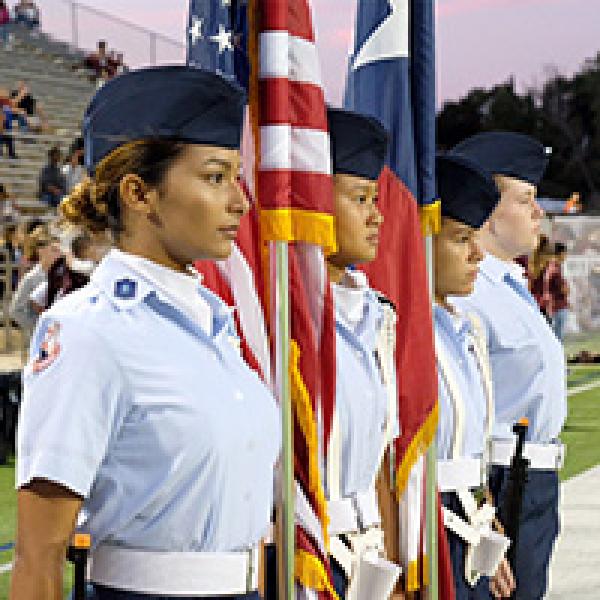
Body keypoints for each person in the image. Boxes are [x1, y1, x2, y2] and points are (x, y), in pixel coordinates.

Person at [11, 65, 280, 600]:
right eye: (215, 177)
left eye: (236, 177)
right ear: (140, 193)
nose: (240, 202)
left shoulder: (215, 324)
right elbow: (39, 554)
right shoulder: (90, 330)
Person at [450, 131, 565, 600]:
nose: (539, 213)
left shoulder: (508, 285)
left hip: (529, 478)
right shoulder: (472, 293)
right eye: (526, 199)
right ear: (490, 210)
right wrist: (480, 509)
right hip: (501, 480)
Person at [320, 108, 400, 599]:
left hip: (364, 551)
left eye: (376, 198)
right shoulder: (274, 320)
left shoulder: (374, 314)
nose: (377, 215)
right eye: (360, 198)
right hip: (305, 551)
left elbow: (378, 465)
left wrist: (387, 564)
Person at [434, 154, 514, 600]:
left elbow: (471, 447)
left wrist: (486, 517)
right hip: (424, 528)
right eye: (461, 238)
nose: (477, 253)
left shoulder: (468, 330)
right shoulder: (397, 335)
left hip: (471, 521)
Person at [9, 224, 61, 337]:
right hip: (43, 339)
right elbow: (16, 310)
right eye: (54, 250)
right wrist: (40, 326)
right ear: (41, 251)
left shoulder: (66, 274)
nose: (60, 254)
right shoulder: (31, 278)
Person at [546, 242, 570, 342]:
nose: (566, 256)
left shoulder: (553, 268)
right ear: (560, 254)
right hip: (558, 307)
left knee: (555, 336)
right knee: (557, 338)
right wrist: (566, 289)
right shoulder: (555, 269)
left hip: (554, 306)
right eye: (565, 254)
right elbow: (563, 290)